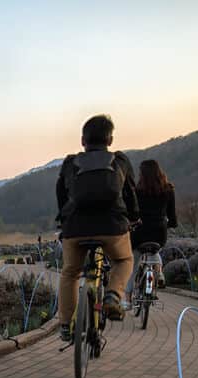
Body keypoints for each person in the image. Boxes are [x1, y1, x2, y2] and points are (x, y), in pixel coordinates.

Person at [56, 114, 138, 342]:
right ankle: (113, 295)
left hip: (75, 227)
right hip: (112, 226)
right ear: (110, 140)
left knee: (70, 273)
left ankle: (65, 325)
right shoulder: (120, 161)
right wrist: (133, 217)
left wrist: (63, 220)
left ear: (83, 140)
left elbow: (61, 195)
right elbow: (131, 194)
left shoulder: (70, 163)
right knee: (124, 261)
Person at [126, 160, 178, 299]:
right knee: (155, 249)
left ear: (142, 174)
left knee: (133, 263)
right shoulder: (168, 190)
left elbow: (132, 213)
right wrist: (170, 224)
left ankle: (127, 299)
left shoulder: (137, 191)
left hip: (140, 232)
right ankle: (159, 273)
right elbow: (172, 216)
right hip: (159, 233)